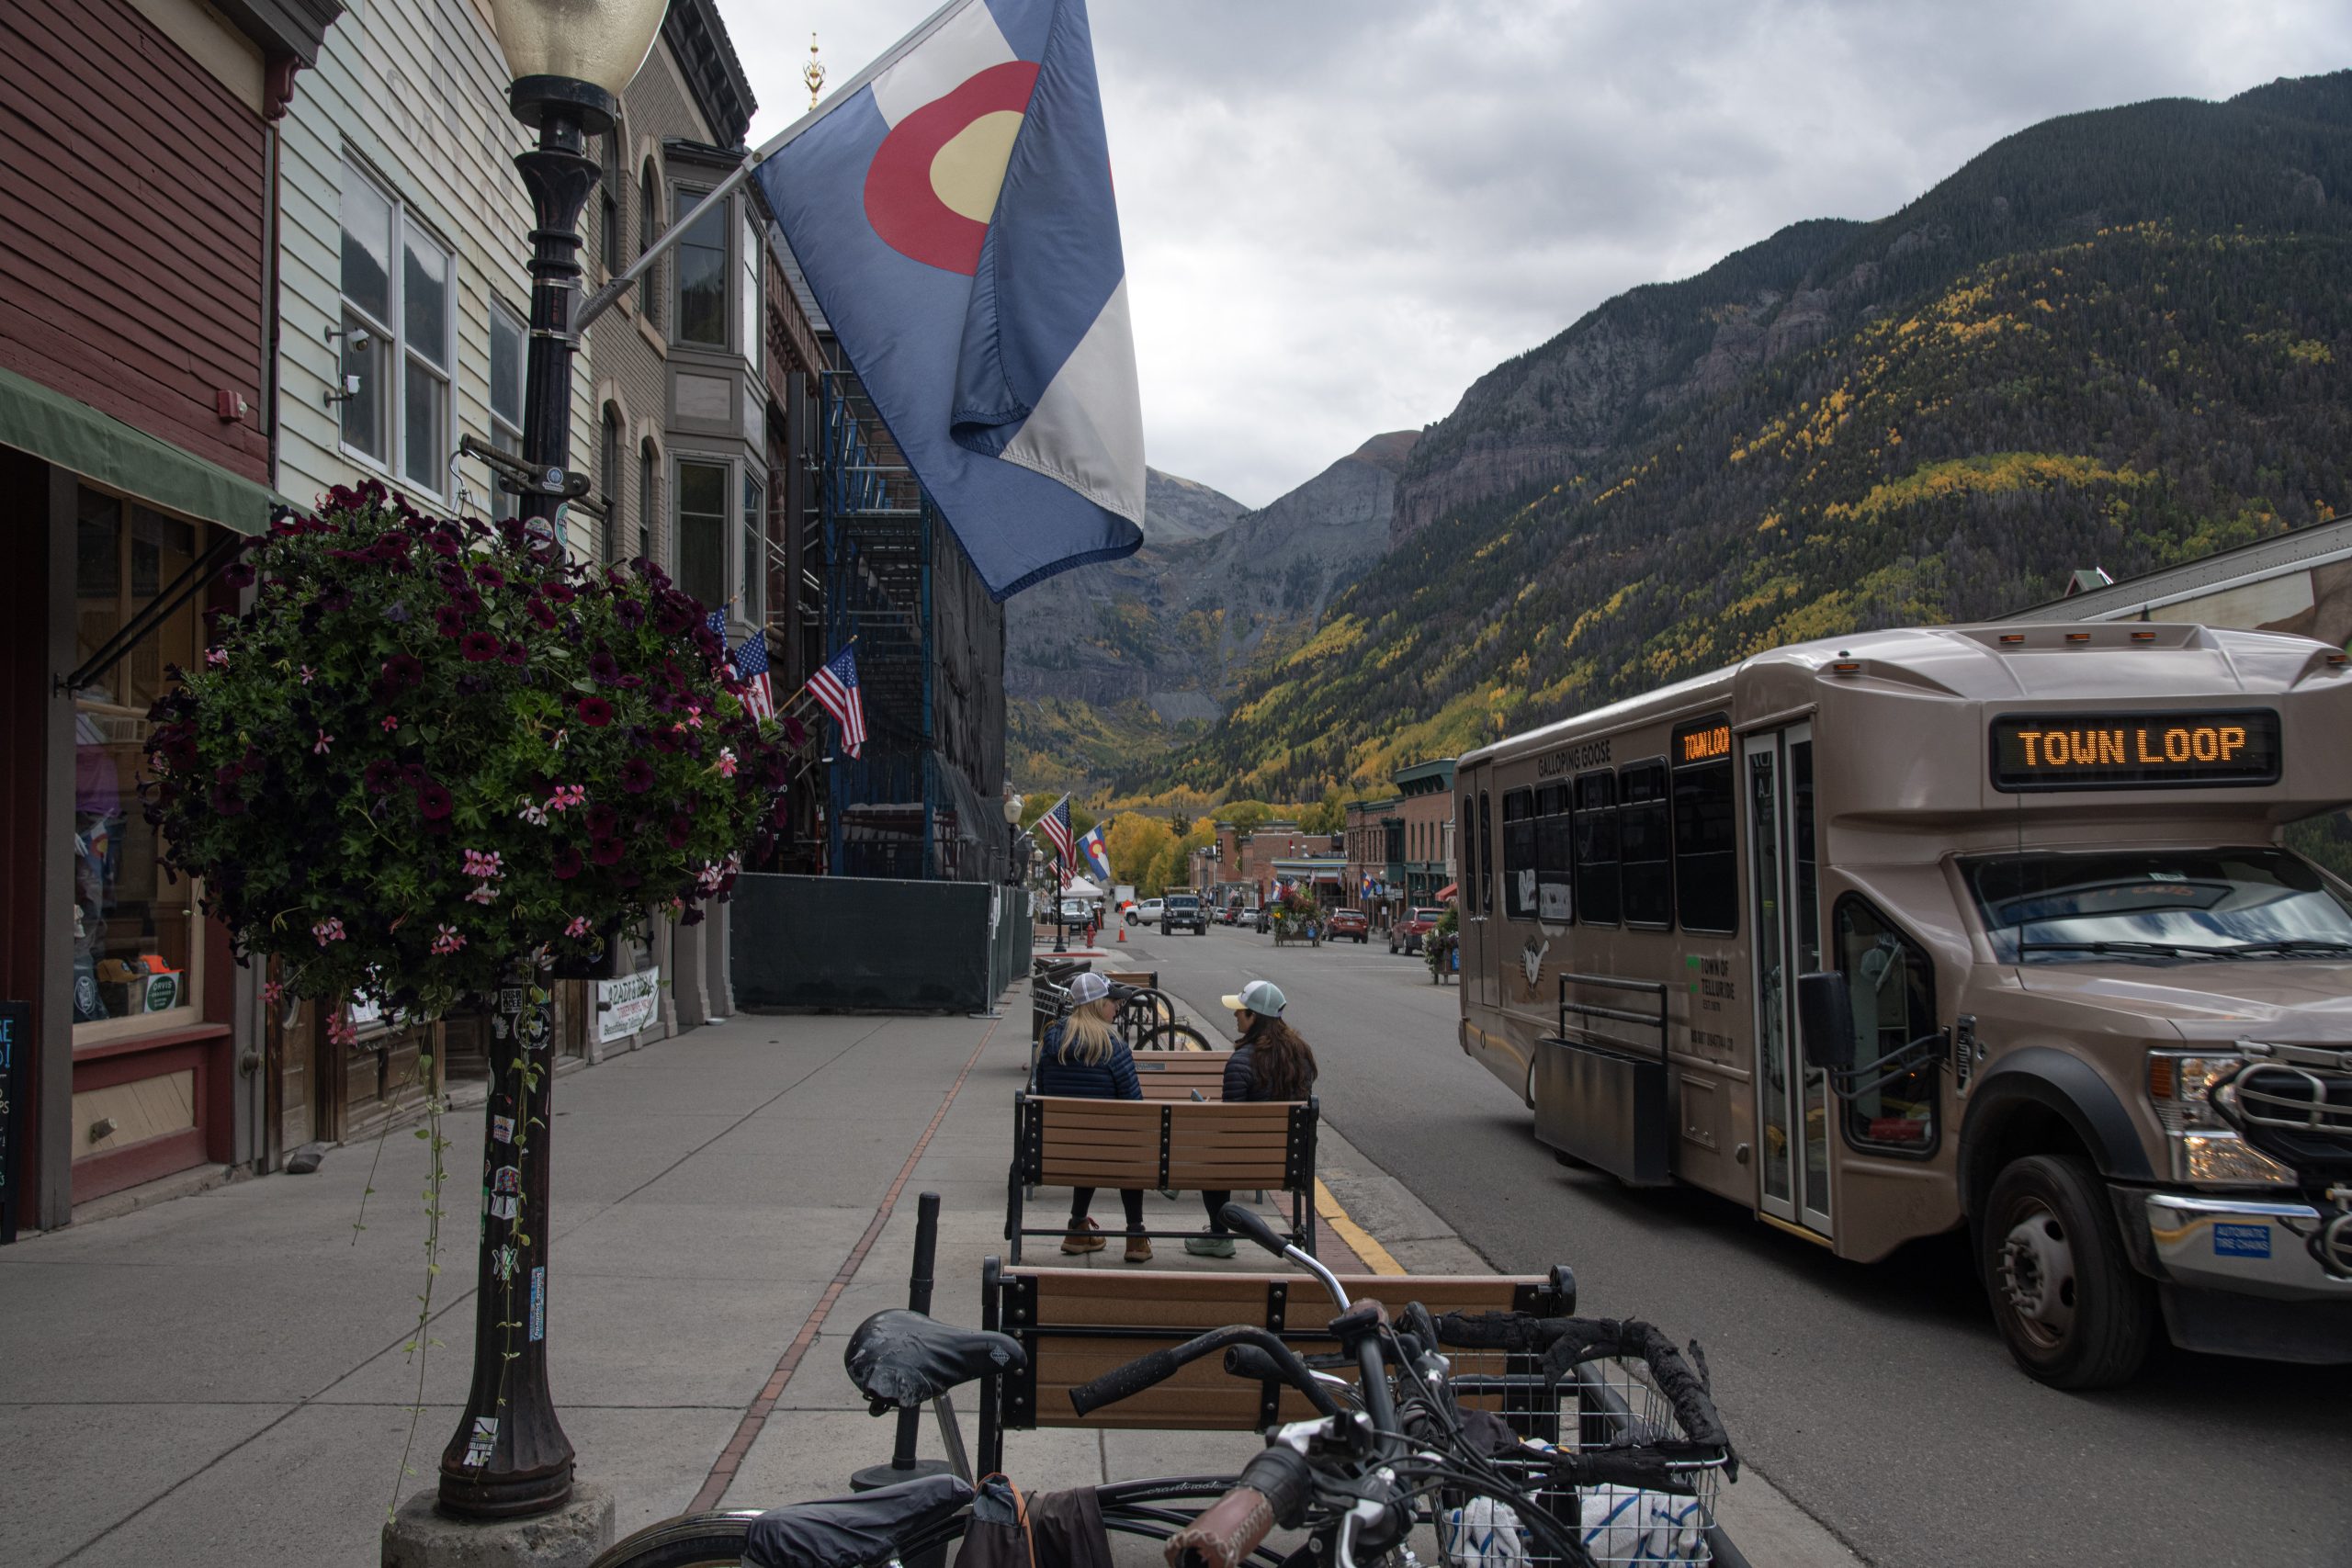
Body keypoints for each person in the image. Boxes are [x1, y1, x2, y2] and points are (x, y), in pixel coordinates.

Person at [1190, 979, 1318, 1257]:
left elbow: (1231, 1128)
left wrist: (1212, 1112)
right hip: (1290, 1165)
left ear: (1254, 1017)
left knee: (1208, 1155)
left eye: (1241, 1010)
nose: (1235, 1014)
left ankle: (1219, 1234)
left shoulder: (1241, 1061)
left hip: (1245, 1162)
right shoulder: (1301, 1056)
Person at [1035, 971, 1151, 1261]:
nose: (1117, 1008)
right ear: (1099, 1005)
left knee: (1085, 1141)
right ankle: (1135, 1237)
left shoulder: (1051, 1045)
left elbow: (1042, 1092)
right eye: (1113, 1003)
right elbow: (1135, 1108)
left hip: (1057, 1151)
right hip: (1111, 1152)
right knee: (1126, 1145)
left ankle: (1077, 1227)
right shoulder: (1114, 1048)